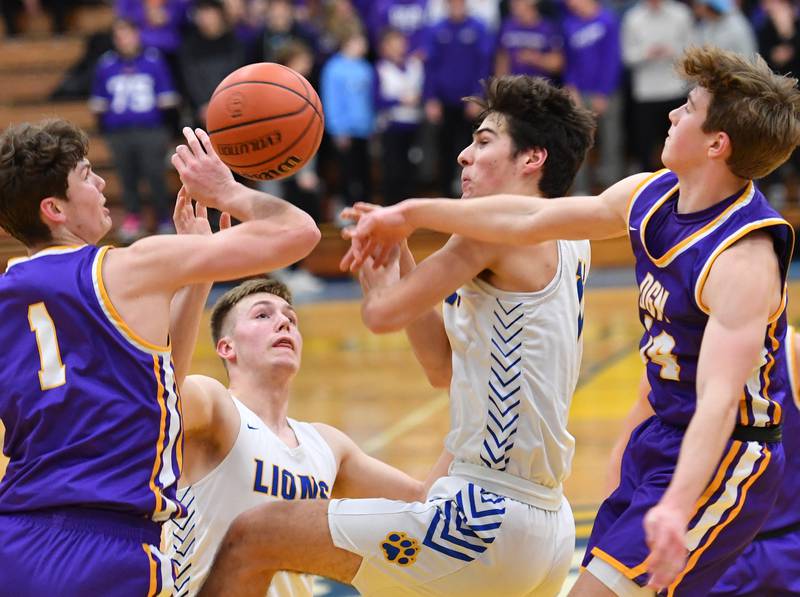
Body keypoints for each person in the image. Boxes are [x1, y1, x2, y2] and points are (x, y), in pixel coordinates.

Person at [342, 46, 800, 595]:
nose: (673, 113)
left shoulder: (741, 260)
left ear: (716, 144)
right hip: (660, 438)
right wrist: (408, 214)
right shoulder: (649, 195)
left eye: (689, 108)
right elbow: (530, 215)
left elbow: (722, 402)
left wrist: (677, 506)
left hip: (729, 455)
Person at [198, 74, 596, 596]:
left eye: (483, 141)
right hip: (546, 526)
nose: (463, 156)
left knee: (256, 534)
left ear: (532, 159)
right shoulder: (571, 238)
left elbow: (383, 315)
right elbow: (442, 368)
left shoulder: (489, 230)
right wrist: (400, 255)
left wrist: (379, 261)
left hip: (486, 516)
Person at [0, 119, 320, 595]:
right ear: (54, 209)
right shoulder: (127, 266)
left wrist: (195, 272)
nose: (102, 182)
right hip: (112, 548)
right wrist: (227, 191)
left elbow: (159, 388)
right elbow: (298, 232)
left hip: (16, 544)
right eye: (87, 175)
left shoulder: (8, 296)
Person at [163, 273, 439, 596]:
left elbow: (424, 501)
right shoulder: (216, 407)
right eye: (263, 315)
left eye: (291, 318)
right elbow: (160, 393)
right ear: (227, 347)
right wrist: (198, 281)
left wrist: (466, 381)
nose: (284, 323)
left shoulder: (326, 444)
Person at [607, 323, 800, 597]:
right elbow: (624, 452)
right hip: (709, 548)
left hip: (785, 551)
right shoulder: (675, 362)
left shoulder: (792, 353)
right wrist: (610, 540)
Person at [89, 18, 180, 241]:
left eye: (127, 34)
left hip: (150, 130)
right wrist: (107, 131)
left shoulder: (153, 61)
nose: (124, 40)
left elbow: (168, 100)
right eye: (119, 36)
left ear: (137, 35)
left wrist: (166, 131)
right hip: (119, 132)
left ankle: (163, 218)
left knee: (154, 174)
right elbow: (99, 103)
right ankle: (133, 217)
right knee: (126, 176)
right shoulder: (106, 64)